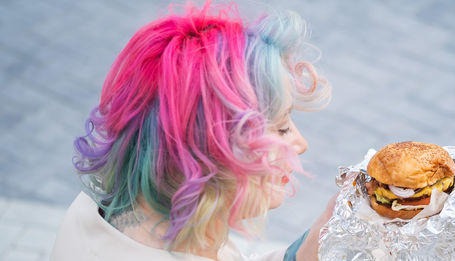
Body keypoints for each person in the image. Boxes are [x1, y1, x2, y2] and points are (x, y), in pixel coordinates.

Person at [50, 1, 334, 260]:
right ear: (211, 147)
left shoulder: (97, 214)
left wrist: (308, 248)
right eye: (282, 127)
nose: (301, 143)